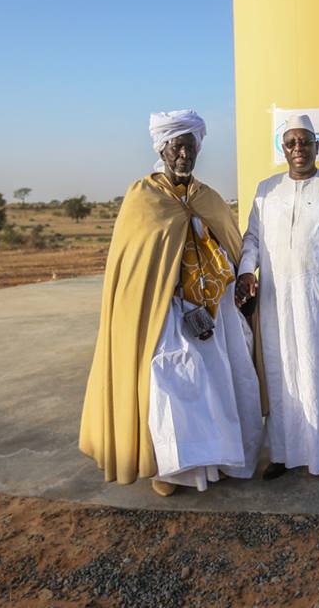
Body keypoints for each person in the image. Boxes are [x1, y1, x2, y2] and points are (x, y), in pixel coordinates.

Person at [79, 109, 263, 497]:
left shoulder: (207, 198)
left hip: (218, 312)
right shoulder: (143, 199)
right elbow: (135, 266)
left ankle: (223, 460)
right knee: (173, 392)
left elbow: (231, 241)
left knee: (223, 385)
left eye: (190, 147)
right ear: (162, 149)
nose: (184, 155)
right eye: (176, 147)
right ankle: (170, 470)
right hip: (166, 314)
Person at [236, 114, 319, 486]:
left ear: (316, 145)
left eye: (305, 142)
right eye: (291, 142)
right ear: (283, 148)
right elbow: (252, 239)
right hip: (276, 307)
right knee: (281, 379)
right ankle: (282, 455)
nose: (298, 149)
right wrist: (248, 269)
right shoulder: (266, 191)